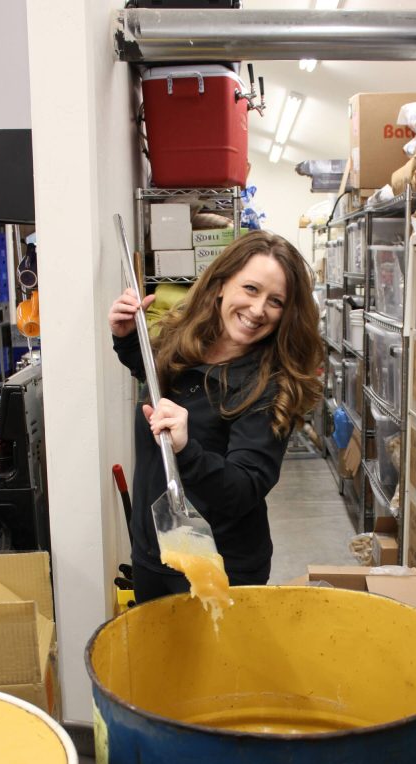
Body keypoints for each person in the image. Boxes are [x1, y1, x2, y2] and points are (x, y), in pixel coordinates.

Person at [109, 230, 324, 603]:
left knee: (216, 665)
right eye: (251, 289)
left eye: (275, 301)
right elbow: (156, 377)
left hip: (220, 567)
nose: (258, 310)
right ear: (222, 284)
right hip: (152, 553)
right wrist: (128, 338)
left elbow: (243, 488)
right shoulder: (187, 340)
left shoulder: (269, 386)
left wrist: (187, 449)